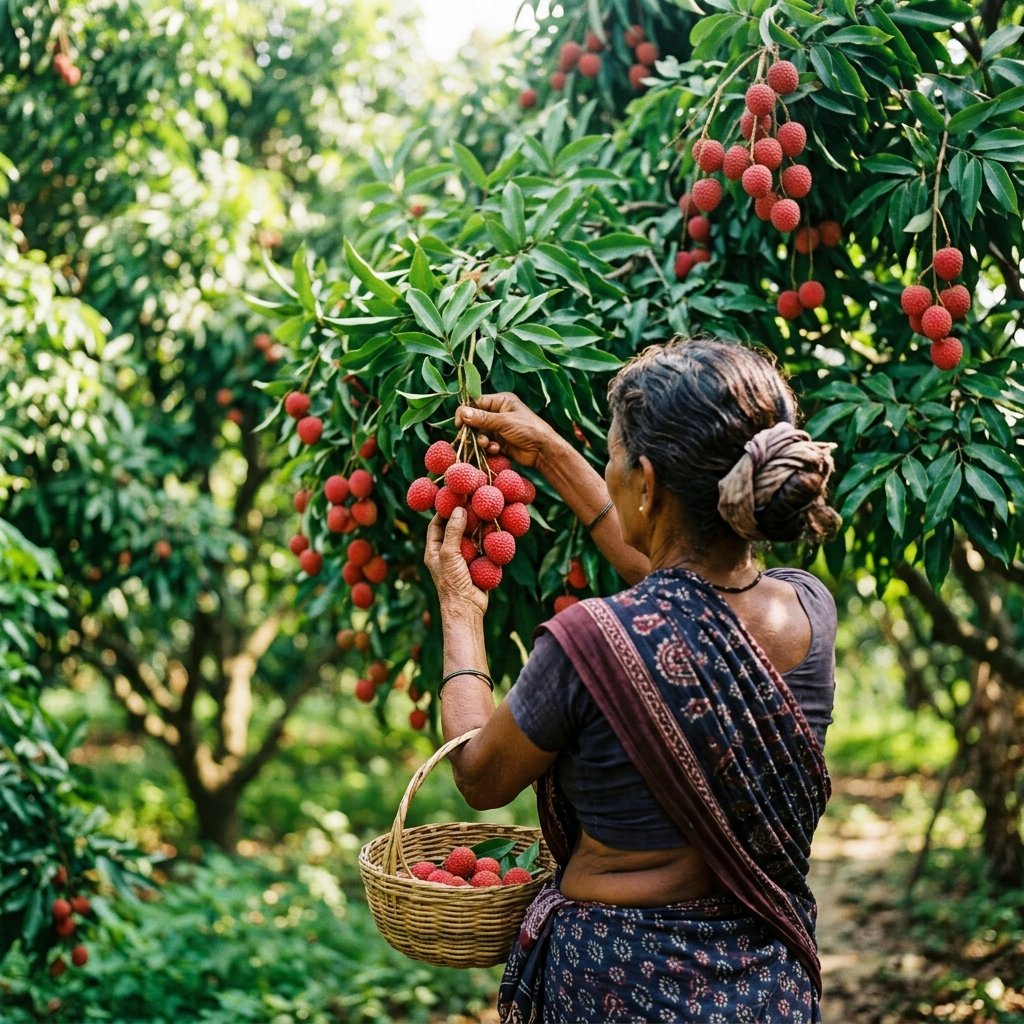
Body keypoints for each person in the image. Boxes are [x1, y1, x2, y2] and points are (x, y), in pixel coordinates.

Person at [422, 337, 841, 1023]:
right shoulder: (807, 612)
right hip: (768, 985)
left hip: (616, 986)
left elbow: (478, 774)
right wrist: (553, 452)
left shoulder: (588, 646)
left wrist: (460, 609)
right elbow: (684, 592)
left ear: (646, 483)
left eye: (612, 458)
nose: (608, 473)